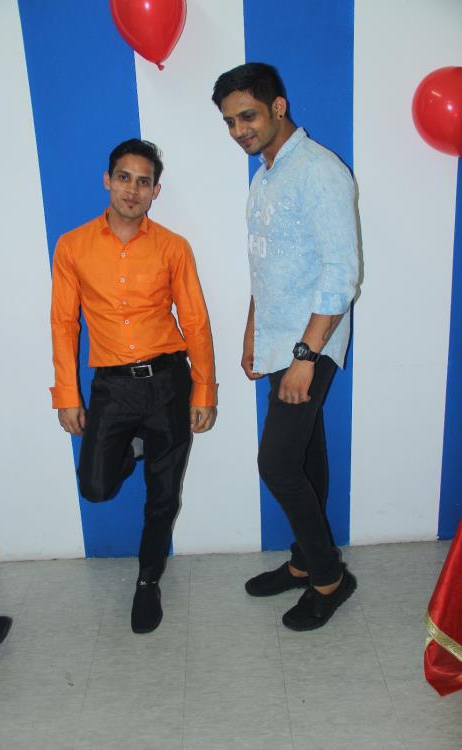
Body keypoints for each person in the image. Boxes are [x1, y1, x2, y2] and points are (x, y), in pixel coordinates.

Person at [212, 63, 359, 631]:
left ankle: (329, 577)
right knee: (304, 456)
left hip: (310, 343)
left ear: (279, 106)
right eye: (230, 122)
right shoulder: (267, 174)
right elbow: (267, 265)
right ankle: (304, 561)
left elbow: (341, 274)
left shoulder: (319, 171)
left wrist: (304, 357)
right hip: (278, 338)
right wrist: (254, 330)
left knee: (275, 463)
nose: (239, 131)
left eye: (247, 116)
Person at [50, 139, 217, 634]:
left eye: (144, 182)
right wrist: (66, 395)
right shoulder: (73, 246)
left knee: (163, 495)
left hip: (168, 382)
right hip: (112, 388)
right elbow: (64, 324)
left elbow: (195, 320)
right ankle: (134, 447)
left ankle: (148, 580)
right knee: (95, 486)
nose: (132, 189)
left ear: (155, 191)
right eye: (124, 177)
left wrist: (204, 390)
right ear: (107, 180)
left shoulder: (173, 247)